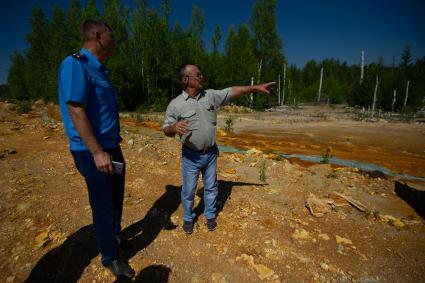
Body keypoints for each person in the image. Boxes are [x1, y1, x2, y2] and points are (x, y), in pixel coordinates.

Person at [57, 20, 134, 279]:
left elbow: (100, 110)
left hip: (111, 146)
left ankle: (114, 237)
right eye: (111, 35)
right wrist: (98, 152)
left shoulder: (100, 70)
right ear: (99, 36)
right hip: (93, 151)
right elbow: (76, 111)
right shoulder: (75, 64)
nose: (115, 40)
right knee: (102, 204)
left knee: (115, 199)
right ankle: (110, 257)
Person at [163, 64, 275, 234]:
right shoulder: (175, 104)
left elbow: (233, 91)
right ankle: (187, 218)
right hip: (190, 157)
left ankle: (210, 216)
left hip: (210, 155)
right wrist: (173, 128)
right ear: (186, 80)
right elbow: (166, 129)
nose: (202, 77)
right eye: (198, 75)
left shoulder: (210, 96)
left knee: (211, 187)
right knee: (188, 190)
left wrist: (255, 88)